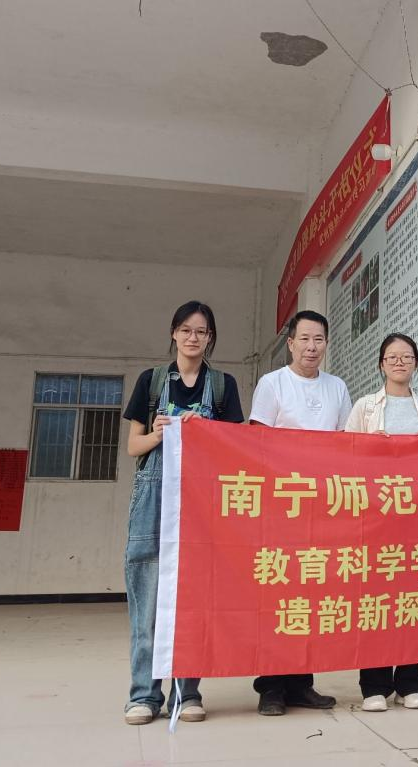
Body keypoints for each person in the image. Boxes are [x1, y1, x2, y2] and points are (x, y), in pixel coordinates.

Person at [121, 301, 244, 726]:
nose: (194, 338)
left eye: (202, 332)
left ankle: (187, 693)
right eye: (186, 330)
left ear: (210, 338)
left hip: (201, 503)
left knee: (195, 601)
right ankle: (143, 695)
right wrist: (158, 433)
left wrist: (204, 431)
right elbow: (133, 447)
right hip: (153, 501)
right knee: (148, 602)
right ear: (174, 333)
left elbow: (234, 450)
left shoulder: (222, 386)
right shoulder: (152, 381)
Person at [249, 310, 352, 716]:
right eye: (304, 339)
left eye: (319, 339)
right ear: (290, 343)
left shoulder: (337, 387)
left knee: (311, 594)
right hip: (282, 504)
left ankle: (301, 683)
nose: (312, 347)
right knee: (278, 591)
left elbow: (346, 444)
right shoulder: (272, 383)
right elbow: (257, 442)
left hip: (322, 506)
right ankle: (271, 687)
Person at [345, 333, 418, 712]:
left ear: (416, 364)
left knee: (412, 598)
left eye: (406, 357)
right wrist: (372, 446)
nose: (400, 362)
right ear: (381, 364)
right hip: (376, 516)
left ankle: (409, 682)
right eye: (392, 357)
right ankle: (374, 685)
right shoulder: (365, 407)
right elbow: (345, 454)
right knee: (374, 599)